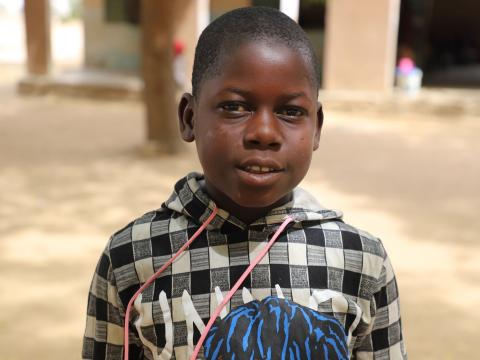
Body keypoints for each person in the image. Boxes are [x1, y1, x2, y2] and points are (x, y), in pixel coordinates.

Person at [82, 7, 406, 360]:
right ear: (189, 117)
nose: (264, 133)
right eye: (235, 107)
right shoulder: (132, 257)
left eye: (291, 112)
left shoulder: (361, 261)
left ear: (317, 127)